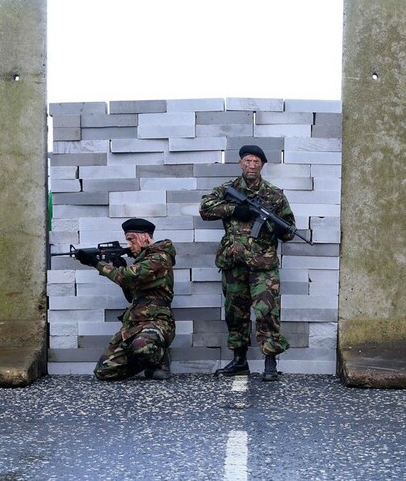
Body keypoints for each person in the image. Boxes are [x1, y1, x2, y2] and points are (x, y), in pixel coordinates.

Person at [199, 144, 295, 381]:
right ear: (240, 163)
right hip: (234, 261)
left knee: (267, 312)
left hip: (263, 266)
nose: (251, 165)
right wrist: (235, 210)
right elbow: (205, 209)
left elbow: (289, 229)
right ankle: (239, 361)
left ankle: (270, 363)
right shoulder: (227, 189)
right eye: (247, 161)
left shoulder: (274, 194)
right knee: (235, 313)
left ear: (262, 165)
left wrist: (276, 227)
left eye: (256, 162)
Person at [75, 218, 176, 381]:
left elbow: (126, 276)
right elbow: (131, 295)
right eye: (127, 240)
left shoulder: (159, 259)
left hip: (157, 321)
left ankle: (159, 359)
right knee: (104, 371)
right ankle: (146, 357)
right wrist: (118, 265)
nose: (129, 245)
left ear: (145, 237)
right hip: (134, 324)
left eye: (131, 239)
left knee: (142, 347)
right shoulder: (144, 261)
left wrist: (96, 263)